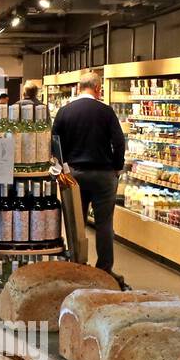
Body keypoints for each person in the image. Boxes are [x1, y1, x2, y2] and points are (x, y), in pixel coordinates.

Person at [51, 71, 125, 273]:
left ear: (78, 87)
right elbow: (119, 142)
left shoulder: (65, 111)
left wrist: (62, 167)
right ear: (98, 88)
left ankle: (77, 264)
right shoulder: (106, 111)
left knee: (76, 222)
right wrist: (117, 166)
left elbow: (54, 143)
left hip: (74, 174)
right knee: (104, 224)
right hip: (103, 175)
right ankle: (104, 269)